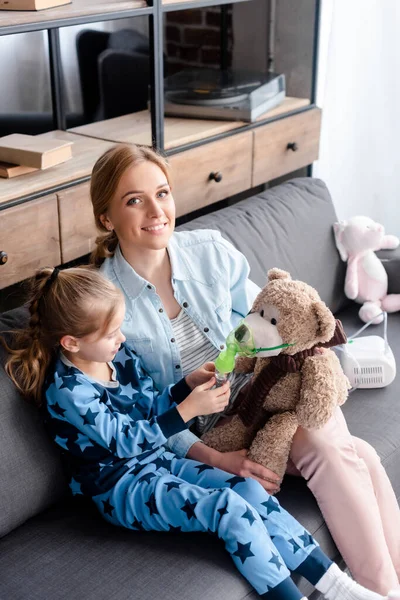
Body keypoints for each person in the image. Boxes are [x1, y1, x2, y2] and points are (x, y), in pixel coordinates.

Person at [89, 143, 400, 595]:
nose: (156, 211)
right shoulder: (102, 302)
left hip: (267, 397)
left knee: (343, 448)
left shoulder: (211, 252)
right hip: (204, 438)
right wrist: (216, 459)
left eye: (163, 193)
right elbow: (136, 414)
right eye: (134, 200)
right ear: (106, 217)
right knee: (356, 455)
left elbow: (276, 325)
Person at [3, 266, 392, 600]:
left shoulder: (115, 356)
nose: (121, 339)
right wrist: (186, 411)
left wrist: (183, 387)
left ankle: (335, 584)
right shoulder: (68, 391)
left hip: (159, 460)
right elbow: (123, 441)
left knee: (247, 490)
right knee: (230, 509)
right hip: (120, 486)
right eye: (111, 334)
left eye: (120, 328)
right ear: (71, 343)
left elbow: (148, 404)